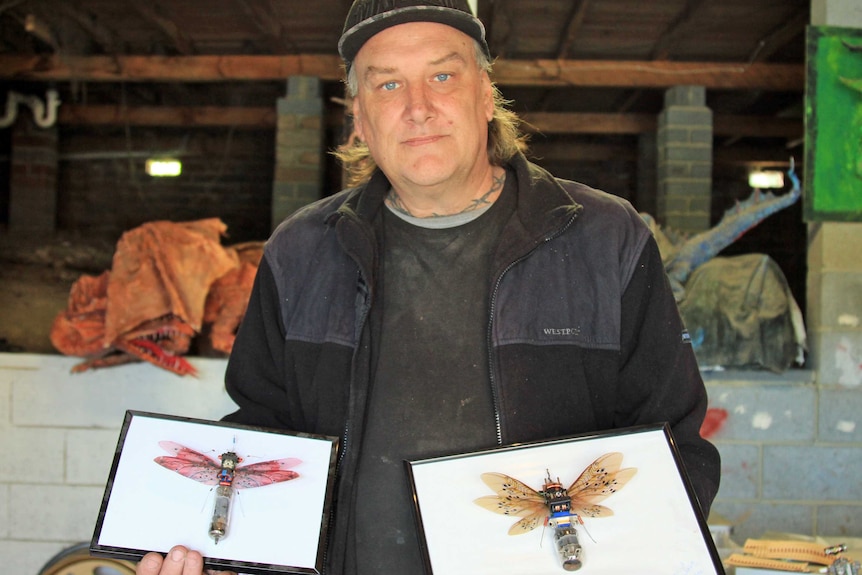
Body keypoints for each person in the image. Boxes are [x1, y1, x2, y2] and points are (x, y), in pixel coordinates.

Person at [137, 1, 721, 574]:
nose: (418, 108)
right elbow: (265, 428)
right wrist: (208, 554)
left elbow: (675, 449)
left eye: (442, 76)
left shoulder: (603, 237)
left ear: (486, 95)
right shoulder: (301, 251)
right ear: (359, 118)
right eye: (387, 85)